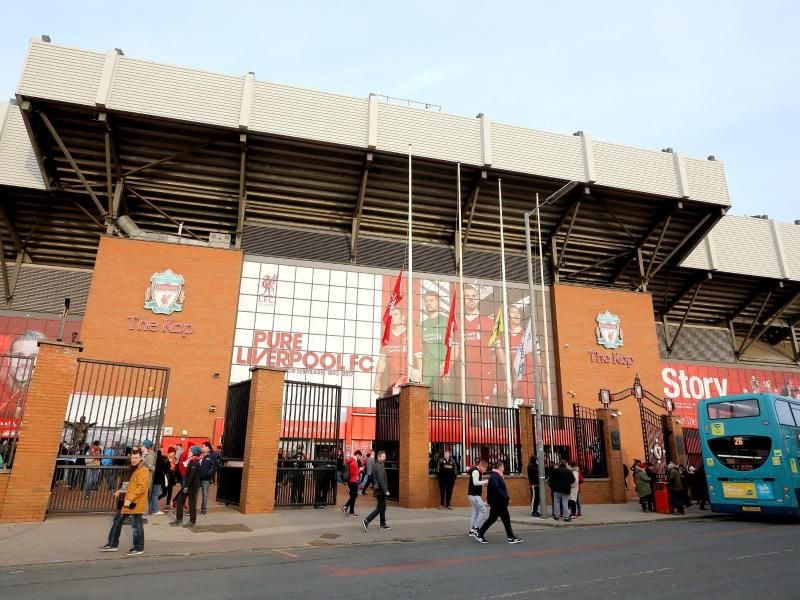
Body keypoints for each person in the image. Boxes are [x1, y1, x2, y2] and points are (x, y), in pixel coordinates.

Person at [98, 446, 148, 556]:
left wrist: (130, 499)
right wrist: (120, 491)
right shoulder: (132, 469)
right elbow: (129, 484)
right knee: (117, 521)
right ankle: (112, 544)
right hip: (126, 501)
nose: (134, 459)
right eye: (132, 457)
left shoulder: (143, 470)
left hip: (134, 502)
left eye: (136, 457)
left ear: (140, 458)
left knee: (136, 525)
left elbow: (141, 488)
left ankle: (138, 547)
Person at [461, 284, 497, 405]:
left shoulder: (488, 321)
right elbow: (455, 348)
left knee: (484, 407)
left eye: (473, 296)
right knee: (471, 408)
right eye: (467, 296)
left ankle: (487, 423)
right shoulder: (459, 322)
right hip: (466, 373)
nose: (471, 299)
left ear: (477, 298)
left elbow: (497, 348)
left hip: (484, 371)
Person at [373, 307, 421, 397]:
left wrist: (420, 377)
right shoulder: (387, 335)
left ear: (403, 318)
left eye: (396, 314)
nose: (393, 317)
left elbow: (419, 357)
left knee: (406, 408)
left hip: (407, 380)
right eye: (391, 315)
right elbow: (382, 360)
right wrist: (377, 379)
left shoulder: (410, 333)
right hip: (391, 381)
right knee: (391, 408)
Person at [0, 330, 45, 421]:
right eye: (19, 355)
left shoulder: (44, 397)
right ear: (9, 360)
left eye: (33, 357)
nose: (25, 362)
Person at [474, 461, 522, 544]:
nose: (504, 467)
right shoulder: (494, 476)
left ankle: (480, 533)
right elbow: (497, 489)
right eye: (503, 466)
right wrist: (505, 497)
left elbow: (499, 489)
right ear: (499, 467)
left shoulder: (497, 475)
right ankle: (510, 537)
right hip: (498, 502)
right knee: (505, 519)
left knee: (493, 518)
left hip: (498, 502)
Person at [419, 289, 449, 400]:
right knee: (426, 405)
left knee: (444, 405)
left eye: (431, 300)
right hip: (427, 371)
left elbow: (455, 347)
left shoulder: (446, 321)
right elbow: (421, 351)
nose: (428, 303)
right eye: (426, 301)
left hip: (442, 369)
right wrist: (420, 373)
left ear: (438, 302)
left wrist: (447, 364)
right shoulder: (422, 325)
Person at [171, 445, 201, 527]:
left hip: (192, 486)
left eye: (190, 451)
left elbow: (192, 475)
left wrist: (186, 486)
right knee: (180, 501)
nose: (188, 452)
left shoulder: (195, 461)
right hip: (187, 485)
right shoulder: (191, 460)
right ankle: (179, 519)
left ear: (194, 453)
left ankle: (192, 521)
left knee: (192, 503)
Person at [362, 450, 390, 531]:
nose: (385, 458)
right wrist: (385, 490)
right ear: (379, 457)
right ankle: (367, 520)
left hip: (378, 489)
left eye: (385, 456)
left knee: (383, 507)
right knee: (380, 508)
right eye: (383, 457)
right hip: (380, 490)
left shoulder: (377, 465)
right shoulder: (379, 466)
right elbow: (381, 479)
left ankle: (382, 524)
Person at [467, 459, 489, 537]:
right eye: (485, 468)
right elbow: (475, 482)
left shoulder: (477, 471)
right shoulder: (476, 471)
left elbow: (476, 483)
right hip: (474, 495)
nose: (485, 470)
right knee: (483, 510)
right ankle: (475, 528)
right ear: (482, 466)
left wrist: (483, 484)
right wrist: (485, 482)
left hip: (473, 495)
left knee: (475, 513)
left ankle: (471, 530)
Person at [198, 441, 217, 515]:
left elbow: (215, 466)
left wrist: (208, 474)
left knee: (205, 494)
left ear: (207, 447)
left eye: (203, 446)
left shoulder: (213, 455)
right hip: (198, 477)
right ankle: (192, 509)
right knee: (195, 494)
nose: (201, 448)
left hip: (206, 479)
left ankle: (203, 510)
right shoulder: (200, 455)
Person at [341, 450, 362, 517]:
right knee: (354, 496)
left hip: (351, 481)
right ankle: (349, 510)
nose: (360, 458)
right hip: (353, 481)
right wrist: (360, 470)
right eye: (360, 456)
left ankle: (347, 508)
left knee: (353, 496)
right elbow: (354, 473)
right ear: (357, 455)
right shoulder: (354, 462)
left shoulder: (351, 461)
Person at [149, 447, 169, 515]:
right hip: (158, 480)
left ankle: (150, 508)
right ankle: (155, 510)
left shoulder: (152, 459)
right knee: (155, 495)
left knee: (151, 495)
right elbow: (167, 468)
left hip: (151, 479)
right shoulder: (162, 460)